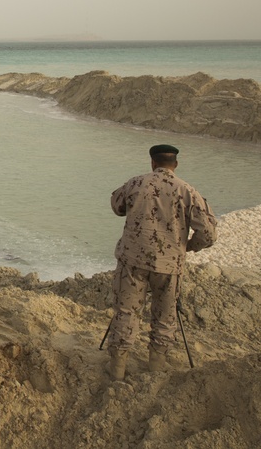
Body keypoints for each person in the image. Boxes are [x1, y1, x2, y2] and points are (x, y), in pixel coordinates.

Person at [106, 144, 217, 380]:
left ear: (153, 163)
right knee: (165, 317)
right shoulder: (188, 192)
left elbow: (116, 206)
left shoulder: (137, 183)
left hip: (132, 262)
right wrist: (188, 246)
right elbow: (208, 234)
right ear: (175, 166)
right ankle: (156, 367)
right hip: (169, 265)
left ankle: (117, 368)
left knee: (126, 312)